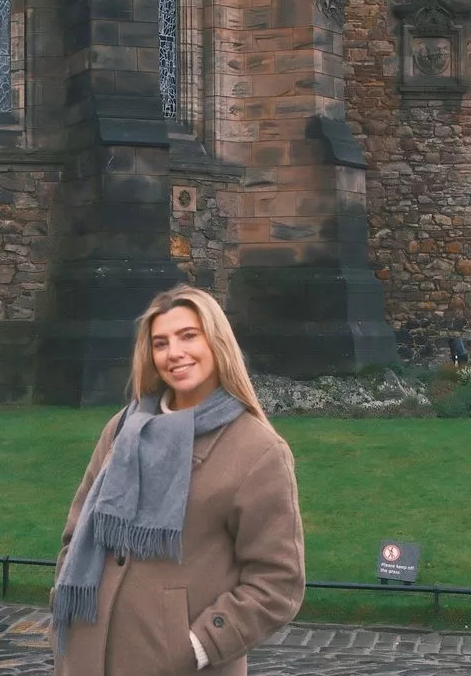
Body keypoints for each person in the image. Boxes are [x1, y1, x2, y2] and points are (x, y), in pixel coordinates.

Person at [51, 285, 306, 676]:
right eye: (161, 343)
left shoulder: (258, 450)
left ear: (217, 342)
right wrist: (65, 594)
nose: (174, 353)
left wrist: (198, 646)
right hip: (85, 653)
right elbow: (76, 533)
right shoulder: (122, 428)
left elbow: (278, 583)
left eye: (189, 336)